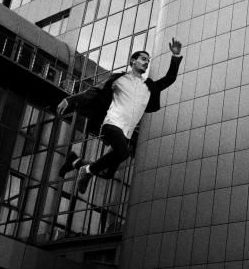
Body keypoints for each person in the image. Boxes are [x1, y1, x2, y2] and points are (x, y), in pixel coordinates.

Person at [57, 38, 183, 194]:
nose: (146, 62)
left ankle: (75, 162)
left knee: (107, 173)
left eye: (148, 61)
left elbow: (169, 79)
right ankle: (87, 170)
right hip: (112, 125)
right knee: (123, 153)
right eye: (143, 59)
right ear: (133, 61)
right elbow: (94, 92)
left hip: (126, 133)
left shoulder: (149, 86)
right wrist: (69, 100)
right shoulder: (119, 79)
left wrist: (175, 56)